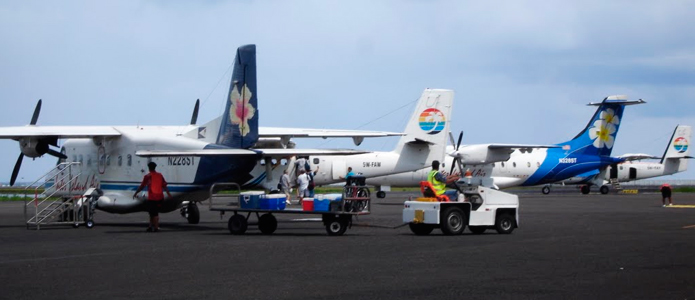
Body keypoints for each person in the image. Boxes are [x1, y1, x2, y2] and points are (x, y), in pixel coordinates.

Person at [133, 162, 172, 232]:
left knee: (154, 213)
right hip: (160, 197)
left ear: (149, 168)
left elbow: (142, 186)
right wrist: (169, 194)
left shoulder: (147, 176)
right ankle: (150, 226)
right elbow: (164, 186)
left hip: (152, 197)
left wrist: (136, 193)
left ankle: (156, 227)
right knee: (152, 212)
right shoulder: (160, 175)